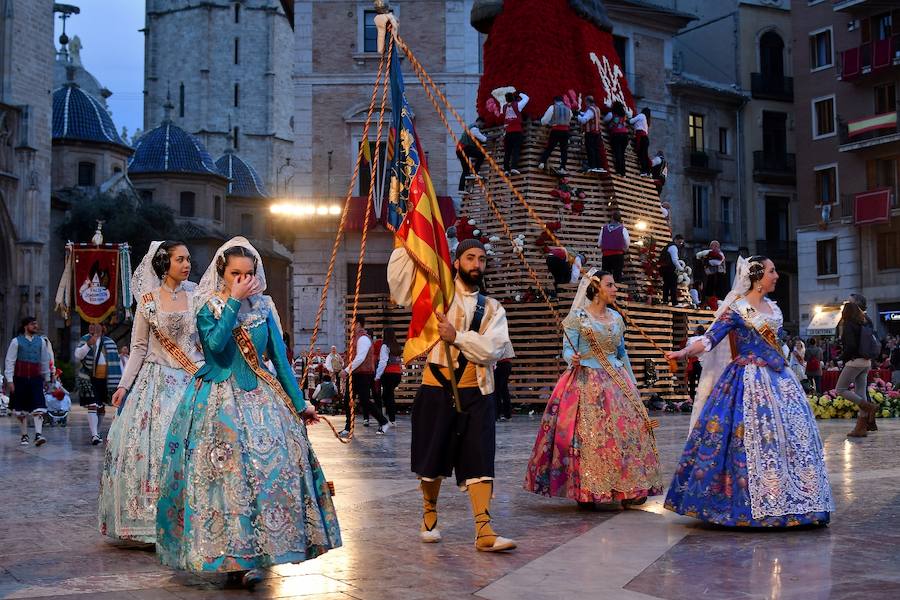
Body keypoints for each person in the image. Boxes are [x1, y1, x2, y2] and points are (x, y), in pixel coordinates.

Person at [155, 237, 340, 589]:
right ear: (222, 274)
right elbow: (214, 346)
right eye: (235, 274)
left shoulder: (265, 307)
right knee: (222, 480)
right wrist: (233, 303)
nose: (243, 280)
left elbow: (281, 361)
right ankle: (227, 554)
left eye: (249, 274)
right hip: (216, 401)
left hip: (261, 401)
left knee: (266, 476)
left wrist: (301, 404)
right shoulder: (206, 305)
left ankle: (260, 554)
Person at [665, 256, 834, 527]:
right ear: (757, 277)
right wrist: (683, 351)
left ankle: (798, 501)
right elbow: (710, 339)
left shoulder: (774, 309)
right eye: (772, 270)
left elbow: (775, 344)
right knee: (750, 439)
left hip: (780, 380)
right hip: (747, 380)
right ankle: (754, 502)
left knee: (792, 438)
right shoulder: (738, 309)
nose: (776, 275)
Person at [388, 238, 517, 552]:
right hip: (437, 391)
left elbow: (494, 350)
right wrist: (408, 241)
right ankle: (429, 514)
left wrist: (456, 336)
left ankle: (484, 530)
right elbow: (400, 288)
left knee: (480, 460)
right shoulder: (437, 298)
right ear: (457, 262)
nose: (477, 265)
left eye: (482, 259)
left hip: (479, 394)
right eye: (470, 258)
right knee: (432, 458)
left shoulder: (494, 309)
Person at [525, 268, 662, 509]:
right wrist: (572, 358)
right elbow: (567, 350)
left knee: (624, 436)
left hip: (616, 383)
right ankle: (586, 489)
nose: (615, 289)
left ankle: (628, 488)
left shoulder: (617, 319)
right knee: (588, 437)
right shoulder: (578, 318)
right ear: (596, 289)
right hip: (585, 381)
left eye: (614, 285)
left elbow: (621, 353)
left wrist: (632, 386)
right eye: (610, 285)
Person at [98, 241, 202, 544]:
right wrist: (123, 386)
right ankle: (150, 522)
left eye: (188, 258)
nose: (186, 264)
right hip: (155, 385)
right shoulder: (148, 301)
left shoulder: (197, 296)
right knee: (153, 447)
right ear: (163, 264)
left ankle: (189, 520)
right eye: (180, 259)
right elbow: (140, 348)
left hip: (191, 379)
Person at [4, 316, 54, 446]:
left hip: (36, 379)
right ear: (26, 326)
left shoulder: (41, 342)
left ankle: (38, 434)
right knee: (21, 409)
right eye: (33, 324)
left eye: (36, 324)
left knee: (39, 406)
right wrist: (10, 380)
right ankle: (24, 435)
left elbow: (44, 360)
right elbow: (10, 361)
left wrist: (47, 378)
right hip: (20, 379)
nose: (36, 327)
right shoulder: (16, 341)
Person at [836, 294, 879, 437]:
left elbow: (851, 346)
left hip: (855, 362)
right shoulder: (864, 322)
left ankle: (869, 407)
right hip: (866, 362)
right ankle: (861, 428)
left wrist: (841, 358)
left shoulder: (848, 324)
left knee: (840, 389)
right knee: (861, 392)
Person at [341, 316, 390, 435]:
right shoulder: (357, 338)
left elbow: (360, 358)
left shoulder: (363, 339)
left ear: (357, 324)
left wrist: (346, 370)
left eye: (351, 323)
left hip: (363, 375)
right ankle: (348, 427)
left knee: (365, 401)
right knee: (349, 400)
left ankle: (384, 422)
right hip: (356, 374)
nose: (349, 326)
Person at [74, 322, 122, 445]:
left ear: (102, 326)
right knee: (92, 404)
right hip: (89, 377)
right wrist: (89, 344)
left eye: (95, 324)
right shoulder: (85, 339)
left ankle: (98, 431)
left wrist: (120, 381)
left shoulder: (110, 342)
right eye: (90, 324)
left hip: (106, 378)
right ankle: (94, 434)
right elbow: (78, 355)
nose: (92, 326)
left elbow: (116, 361)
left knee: (101, 407)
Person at [375, 327, 404, 426]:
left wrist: (377, 375)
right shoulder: (397, 346)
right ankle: (389, 418)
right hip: (397, 374)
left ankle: (391, 420)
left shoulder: (385, 346)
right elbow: (399, 361)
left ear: (386, 334)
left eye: (383, 333)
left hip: (388, 374)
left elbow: (383, 362)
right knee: (387, 395)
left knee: (389, 396)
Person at [538, 95, 573, 174]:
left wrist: (545, 122)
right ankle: (562, 167)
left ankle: (542, 162)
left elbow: (545, 120)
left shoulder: (552, 107)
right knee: (564, 150)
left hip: (556, 130)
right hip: (566, 131)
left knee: (550, 147)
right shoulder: (568, 109)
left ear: (555, 101)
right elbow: (570, 118)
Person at [577, 95, 608, 174]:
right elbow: (588, 114)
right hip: (597, 132)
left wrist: (578, 117)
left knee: (590, 149)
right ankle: (598, 165)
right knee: (596, 149)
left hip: (590, 132)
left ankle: (592, 165)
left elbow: (584, 120)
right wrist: (581, 113)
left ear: (587, 102)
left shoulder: (590, 110)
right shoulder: (596, 109)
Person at [597, 210, 630, 283]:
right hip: (618, 255)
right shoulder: (623, 229)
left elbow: (599, 243)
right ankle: (616, 291)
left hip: (606, 255)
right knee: (617, 275)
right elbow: (627, 243)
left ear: (612, 218)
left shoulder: (604, 228)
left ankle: (605, 291)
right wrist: (625, 249)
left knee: (605, 275)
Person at [501, 90, 529, 175]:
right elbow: (526, 98)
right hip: (517, 131)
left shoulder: (504, 107)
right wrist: (520, 93)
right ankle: (513, 167)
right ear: (513, 98)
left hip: (508, 132)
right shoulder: (517, 105)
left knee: (507, 152)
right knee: (516, 150)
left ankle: (506, 170)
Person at [457, 119, 487, 192]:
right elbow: (484, 139)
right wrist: (488, 137)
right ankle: (475, 173)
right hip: (465, 148)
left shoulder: (469, 127)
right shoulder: (474, 128)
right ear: (480, 121)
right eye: (483, 124)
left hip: (459, 150)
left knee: (466, 170)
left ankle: (461, 189)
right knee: (481, 155)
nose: (482, 126)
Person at [604, 101, 629, 176]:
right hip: (625, 135)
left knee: (617, 153)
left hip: (616, 135)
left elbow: (605, 120)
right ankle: (623, 172)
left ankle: (619, 171)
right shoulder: (623, 115)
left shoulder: (611, 114)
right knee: (622, 154)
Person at [659, 234, 683, 306]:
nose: (680, 244)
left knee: (666, 285)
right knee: (673, 285)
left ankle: (665, 301)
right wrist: (681, 269)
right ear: (675, 240)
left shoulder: (668, 246)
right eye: (679, 242)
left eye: (681, 243)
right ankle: (674, 303)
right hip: (670, 268)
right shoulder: (674, 247)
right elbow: (675, 260)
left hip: (664, 268)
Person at [629, 107, 652, 177]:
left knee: (641, 155)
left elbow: (631, 121)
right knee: (645, 155)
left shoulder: (641, 115)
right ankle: (648, 171)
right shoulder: (647, 120)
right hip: (645, 138)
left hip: (641, 138)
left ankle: (644, 171)